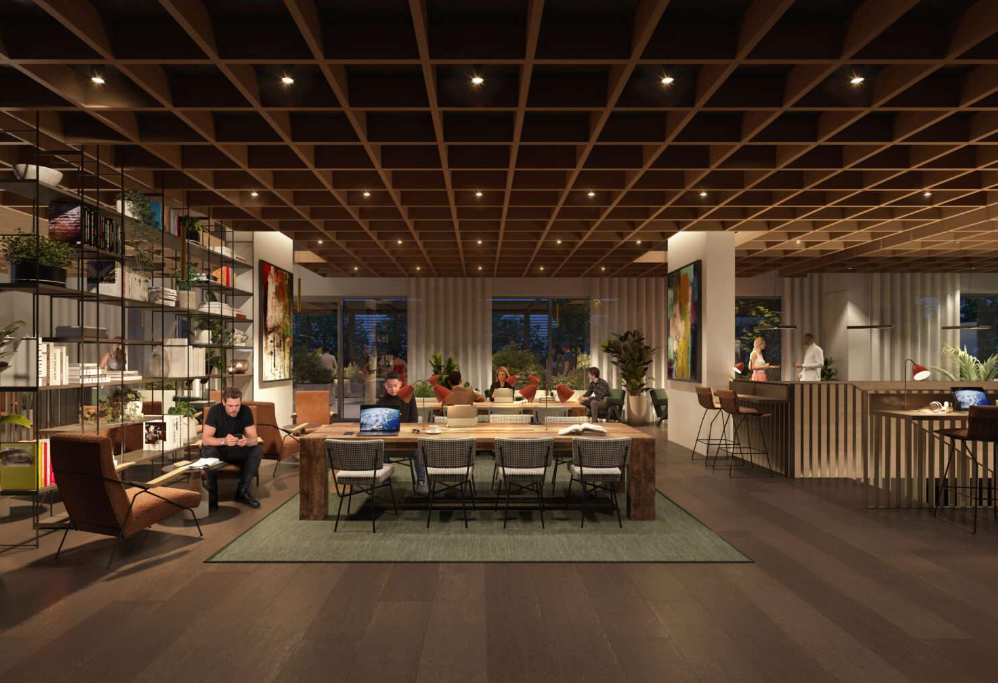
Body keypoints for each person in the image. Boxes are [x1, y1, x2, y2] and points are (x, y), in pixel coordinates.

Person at [201, 387, 263, 511]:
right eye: (230, 406)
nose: (234, 409)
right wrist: (224, 440)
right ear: (224, 402)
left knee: (257, 450)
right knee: (208, 451)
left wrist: (245, 441)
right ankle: (213, 496)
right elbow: (206, 439)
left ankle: (242, 491)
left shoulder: (246, 411)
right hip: (219, 450)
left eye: (237, 405)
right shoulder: (214, 411)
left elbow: (254, 440)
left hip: (237, 450)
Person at [377, 371, 426, 495]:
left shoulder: (409, 397)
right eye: (389, 386)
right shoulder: (382, 402)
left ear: (400, 384)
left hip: (406, 440)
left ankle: (421, 481)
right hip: (389, 442)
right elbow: (378, 425)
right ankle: (383, 477)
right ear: (385, 386)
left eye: (395, 385)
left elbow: (414, 420)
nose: (393, 389)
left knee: (418, 450)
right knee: (379, 449)